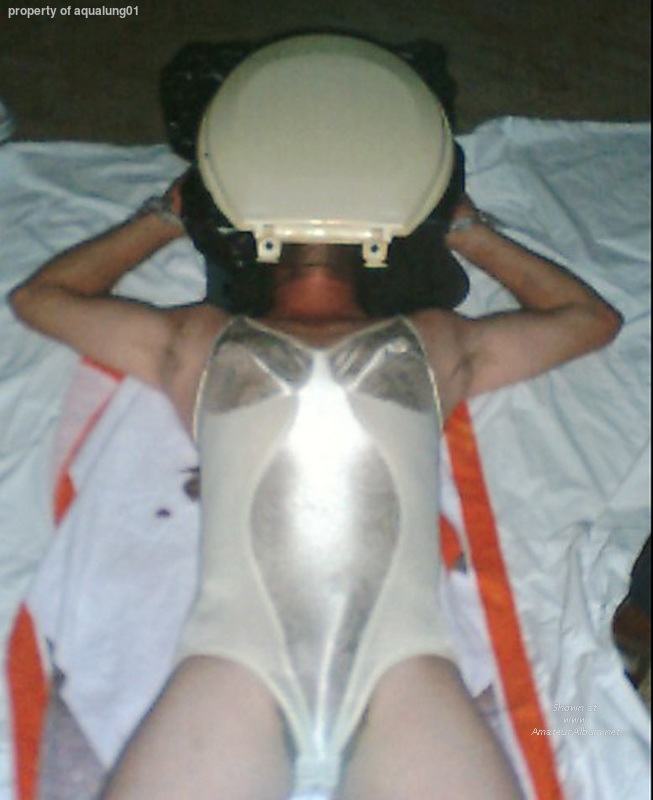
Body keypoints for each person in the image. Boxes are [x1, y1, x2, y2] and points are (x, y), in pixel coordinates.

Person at [9, 34, 622, 800]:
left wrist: (465, 226)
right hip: (244, 665)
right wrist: (165, 213)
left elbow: (590, 323)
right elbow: (37, 302)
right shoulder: (204, 340)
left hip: (395, 670)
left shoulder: (425, 343)